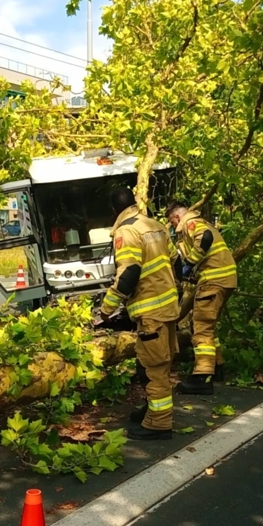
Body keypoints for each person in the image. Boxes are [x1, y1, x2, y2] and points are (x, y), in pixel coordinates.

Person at [97, 187, 180, 440]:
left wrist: (106, 309)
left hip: (150, 310)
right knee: (162, 364)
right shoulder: (156, 225)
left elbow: (130, 273)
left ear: (114, 210)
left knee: (152, 368)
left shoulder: (126, 231)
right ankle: (152, 411)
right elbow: (175, 259)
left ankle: (159, 422)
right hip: (168, 306)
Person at [165, 201, 237, 395]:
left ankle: (202, 377)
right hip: (225, 279)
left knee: (201, 329)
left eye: (171, 222)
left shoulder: (190, 223)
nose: (172, 226)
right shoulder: (201, 221)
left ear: (176, 217)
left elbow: (203, 238)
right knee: (209, 326)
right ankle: (217, 367)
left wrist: (189, 262)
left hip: (214, 281)